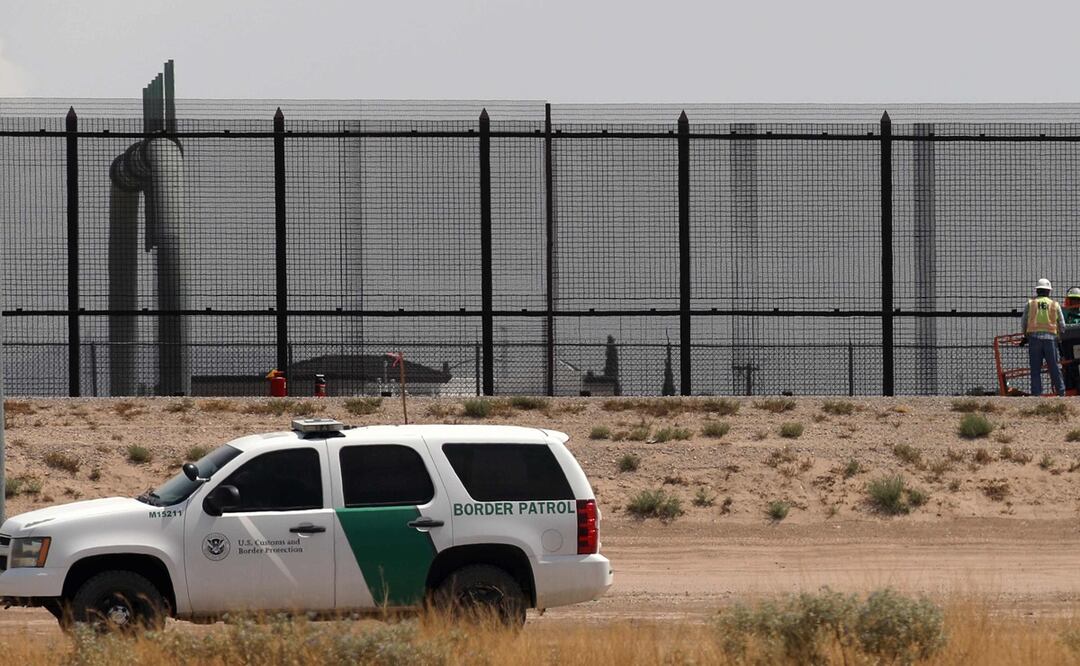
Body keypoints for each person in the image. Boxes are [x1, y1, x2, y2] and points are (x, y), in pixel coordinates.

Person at [1021, 278, 1065, 396]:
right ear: (1049, 291)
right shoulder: (1055, 305)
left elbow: (1024, 322)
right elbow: (1062, 325)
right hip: (1051, 340)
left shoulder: (1030, 304)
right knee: (1054, 367)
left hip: (1034, 339)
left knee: (1035, 369)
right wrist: (1060, 337)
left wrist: (1025, 336)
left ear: (1037, 291)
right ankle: (1061, 392)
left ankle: (1036, 394)